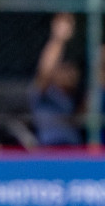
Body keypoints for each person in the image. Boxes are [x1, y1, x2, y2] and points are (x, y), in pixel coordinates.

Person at [30, 13, 82, 147]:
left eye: (72, 69)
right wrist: (58, 39)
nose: (70, 74)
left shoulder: (75, 96)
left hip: (75, 150)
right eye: (64, 69)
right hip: (51, 149)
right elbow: (45, 71)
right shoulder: (44, 92)